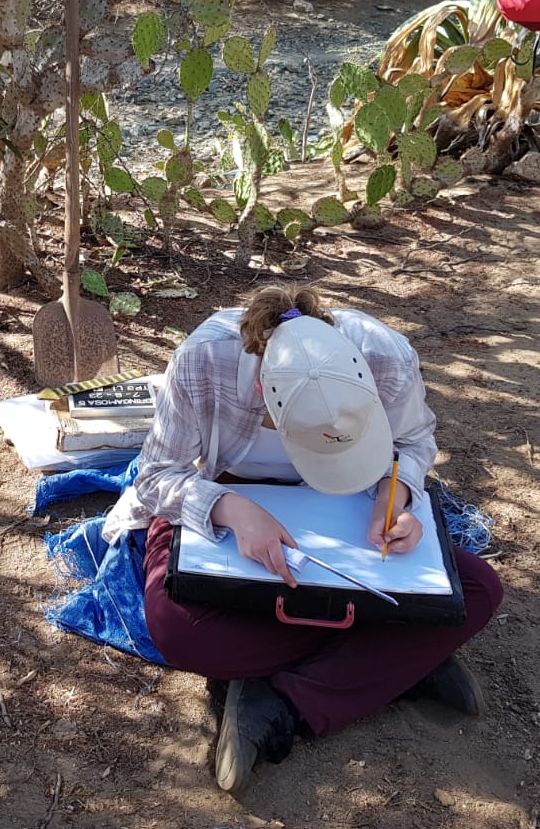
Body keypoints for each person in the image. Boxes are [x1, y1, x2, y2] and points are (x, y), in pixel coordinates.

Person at [102, 284, 503, 795]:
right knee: (177, 629)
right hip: (221, 502)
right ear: (259, 393)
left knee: (480, 592)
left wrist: (395, 497)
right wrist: (233, 509)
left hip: (350, 510)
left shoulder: (386, 356)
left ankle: (277, 704)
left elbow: (412, 443)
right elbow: (158, 476)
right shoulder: (205, 357)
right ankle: (400, 657)